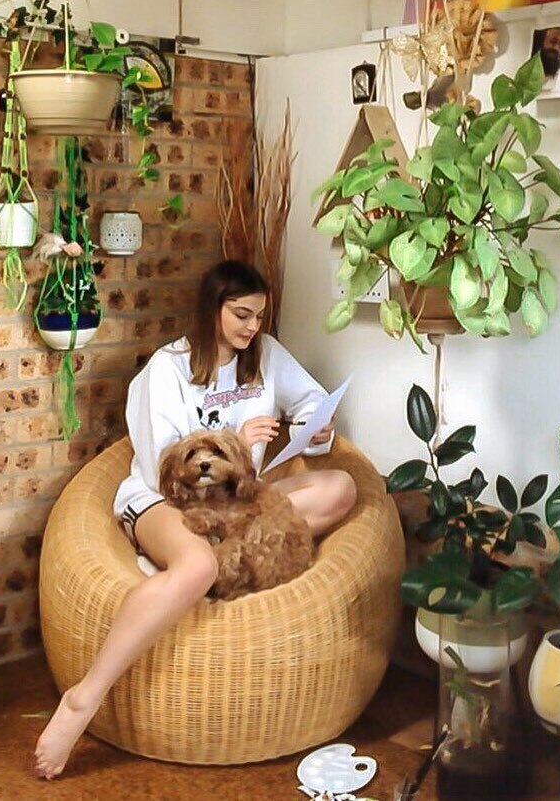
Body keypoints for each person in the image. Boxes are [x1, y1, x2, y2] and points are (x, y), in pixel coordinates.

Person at [34, 260, 357, 779]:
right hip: (165, 501)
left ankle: (223, 558)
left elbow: (312, 399)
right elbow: (163, 468)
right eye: (241, 315)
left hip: (238, 501)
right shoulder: (166, 370)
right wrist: (238, 441)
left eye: (259, 316)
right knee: (198, 567)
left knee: (340, 488)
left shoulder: (266, 355)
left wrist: (316, 427)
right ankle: (84, 697)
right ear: (212, 308)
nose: (252, 327)